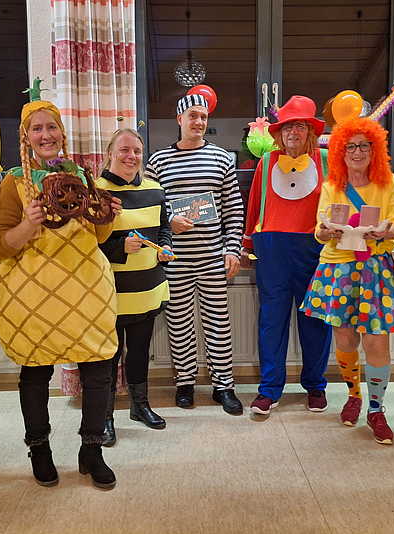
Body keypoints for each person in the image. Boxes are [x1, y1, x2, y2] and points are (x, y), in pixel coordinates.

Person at [0, 89, 121, 489]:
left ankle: (91, 450)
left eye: (51, 127)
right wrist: (28, 224)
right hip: (33, 294)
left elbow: (98, 237)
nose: (45, 135)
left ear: (62, 133)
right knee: (35, 372)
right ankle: (40, 449)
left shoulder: (81, 176)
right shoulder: (13, 182)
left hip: (85, 288)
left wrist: (107, 215)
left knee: (98, 369)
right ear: (25, 137)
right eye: (36, 129)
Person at [300, 117, 394, 444]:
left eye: (363, 145)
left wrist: (386, 231)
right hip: (337, 268)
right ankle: (354, 395)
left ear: (375, 149)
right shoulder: (331, 186)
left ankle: (376, 408)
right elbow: (319, 230)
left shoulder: (389, 182)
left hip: (375, 268)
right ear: (339, 153)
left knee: (376, 341)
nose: (357, 152)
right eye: (350, 147)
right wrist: (326, 232)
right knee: (345, 340)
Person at [145, 94, 244, 415]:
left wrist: (233, 249)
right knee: (178, 322)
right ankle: (185, 382)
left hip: (213, 257)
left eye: (203, 116)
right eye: (192, 115)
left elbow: (233, 209)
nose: (198, 121)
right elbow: (149, 207)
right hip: (174, 259)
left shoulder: (222, 158)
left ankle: (223, 386)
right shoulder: (158, 161)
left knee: (218, 323)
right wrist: (169, 219)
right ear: (179, 119)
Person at [240, 95, 333, 416]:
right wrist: (247, 244)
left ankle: (316, 385)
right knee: (271, 320)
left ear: (311, 132)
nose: (294, 132)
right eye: (288, 126)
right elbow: (255, 204)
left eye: (301, 126)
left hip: (314, 247)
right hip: (272, 248)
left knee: (316, 320)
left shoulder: (326, 159)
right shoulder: (267, 162)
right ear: (279, 133)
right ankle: (269, 389)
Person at [96, 128, 174, 442]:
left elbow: (164, 227)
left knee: (140, 351)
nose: (131, 157)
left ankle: (140, 406)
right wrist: (119, 248)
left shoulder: (155, 190)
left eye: (137, 151)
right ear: (110, 153)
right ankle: (104, 417)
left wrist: (166, 247)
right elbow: (85, 243)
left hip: (147, 288)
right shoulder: (96, 190)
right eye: (125, 150)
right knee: (108, 358)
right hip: (110, 292)